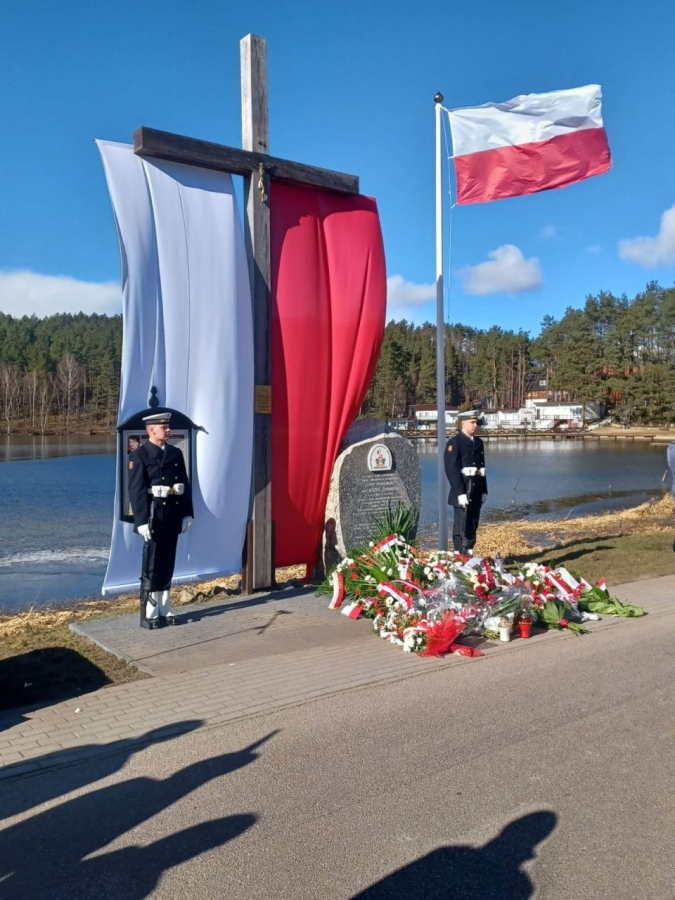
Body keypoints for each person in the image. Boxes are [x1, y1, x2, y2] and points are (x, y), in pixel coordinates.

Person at [127, 412, 193, 629]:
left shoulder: (174, 453)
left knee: (168, 561)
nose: (167, 430)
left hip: (172, 514)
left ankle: (165, 605)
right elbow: (136, 492)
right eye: (162, 427)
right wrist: (142, 521)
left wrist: (187, 513)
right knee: (153, 563)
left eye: (168, 427)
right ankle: (150, 609)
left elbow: (184, 484)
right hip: (154, 516)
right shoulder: (140, 456)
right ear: (151, 431)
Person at [444, 410, 488, 555]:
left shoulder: (479, 443)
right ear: (463, 423)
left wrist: (484, 490)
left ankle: (469, 554)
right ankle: (459, 556)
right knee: (461, 527)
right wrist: (460, 493)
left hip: (476, 491)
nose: (475, 425)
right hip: (463, 491)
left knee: (472, 525)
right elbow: (452, 470)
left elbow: (481, 469)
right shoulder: (454, 443)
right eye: (472, 422)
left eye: (476, 422)